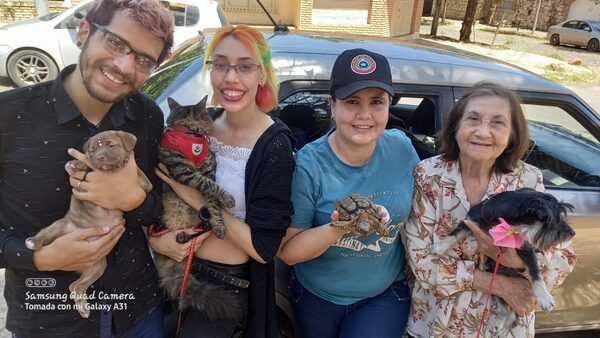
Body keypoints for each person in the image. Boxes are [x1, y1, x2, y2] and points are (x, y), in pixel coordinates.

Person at [0, 0, 174, 336]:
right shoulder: (9, 117)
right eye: (115, 42)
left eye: (143, 60)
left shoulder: (147, 116)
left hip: (139, 312)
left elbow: (159, 210)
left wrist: (135, 200)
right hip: (49, 319)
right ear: (84, 32)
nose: (124, 65)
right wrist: (37, 258)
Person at [148, 24, 295, 338]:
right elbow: (155, 190)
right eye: (221, 64)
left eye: (245, 66)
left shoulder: (275, 145)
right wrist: (155, 240)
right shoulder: (201, 124)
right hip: (170, 272)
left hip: (224, 287)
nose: (231, 77)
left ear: (262, 75)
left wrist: (197, 198)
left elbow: (264, 248)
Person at [402, 82, 577, 338]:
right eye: (473, 119)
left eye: (497, 123)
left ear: (512, 135)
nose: (483, 132)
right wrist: (503, 285)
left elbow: (562, 261)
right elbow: (421, 262)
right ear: (456, 127)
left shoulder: (528, 181)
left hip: (505, 328)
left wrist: (514, 261)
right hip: (437, 325)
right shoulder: (429, 175)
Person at [277, 48, 420, 338]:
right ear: (332, 105)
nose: (364, 115)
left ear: (389, 105)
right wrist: (339, 227)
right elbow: (288, 253)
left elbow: (431, 205)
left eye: (376, 102)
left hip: (383, 294)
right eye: (352, 101)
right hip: (317, 297)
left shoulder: (402, 148)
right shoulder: (308, 164)